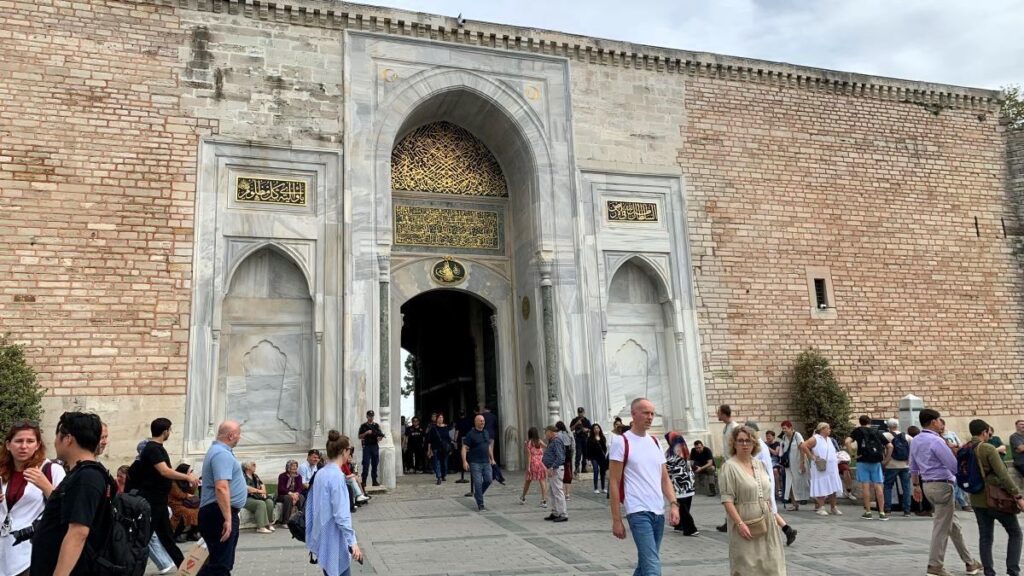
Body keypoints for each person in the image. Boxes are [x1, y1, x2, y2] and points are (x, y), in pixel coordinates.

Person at [29, 412, 106, 576]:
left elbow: (78, 532)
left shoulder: (87, 477)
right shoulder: (79, 473)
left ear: (68, 439)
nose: (55, 442)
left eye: (57, 435)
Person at [609, 398, 680, 576]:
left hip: (658, 511)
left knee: (645, 564)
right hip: (638, 511)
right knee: (652, 566)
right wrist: (617, 520)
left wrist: (673, 504)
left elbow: (664, 478)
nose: (650, 417)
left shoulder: (655, 442)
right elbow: (614, 482)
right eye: (645, 413)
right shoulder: (621, 442)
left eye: (652, 413)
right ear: (633, 414)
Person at [910, 409, 982, 576]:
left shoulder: (916, 440)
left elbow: (913, 465)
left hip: (927, 485)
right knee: (941, 528)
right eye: (939, 420)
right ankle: (935, 566)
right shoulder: (936, 441)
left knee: (953, 526)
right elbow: (952, 464)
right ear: (933, 421)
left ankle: (970, 562)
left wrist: (915, 485)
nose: (940, 423)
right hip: (942, 485)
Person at [1, 420, 65, 576]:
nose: (24, 446)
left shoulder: (51, 470)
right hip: (3, 554)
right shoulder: (2, 471)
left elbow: (66, 508)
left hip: (31, 554)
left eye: (30, 441)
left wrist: (46, 487)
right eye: (18, 441)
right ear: (8, 445)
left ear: (37, 445)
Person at [720, 425, 787, 576]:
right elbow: (727, 501)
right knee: (747, 569)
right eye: (740, 441)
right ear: (734, 443)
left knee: (773, 566)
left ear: (754, 444)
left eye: (748, 441)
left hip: (767, 523)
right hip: (744, 525)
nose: (745, 444)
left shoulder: (759, 464)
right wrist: (740, 524)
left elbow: (766, 492)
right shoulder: (729, 467)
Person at [134, 417, 198, 569]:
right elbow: (164, 471)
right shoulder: (152, 449)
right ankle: (130, 568)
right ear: (165, 432)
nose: (170, 432)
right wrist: (187, 476)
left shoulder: (157, 448)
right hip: (152, 501)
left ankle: (185, 568)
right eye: (170, 430)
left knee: (167, 537)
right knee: (144, 539)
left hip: (159, 501)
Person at [966, 419, 1024, 576]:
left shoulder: (966, 447)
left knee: (985, 536)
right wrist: (1017, 495)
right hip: (996, 498)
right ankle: (1013, 570)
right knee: (1015, 533)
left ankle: (989, 572)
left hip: (976, 499)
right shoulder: (988, 448)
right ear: (985, 432)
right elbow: (1003, 474)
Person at [305, 431, 363, 576]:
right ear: (344, 451)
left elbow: (311, 506)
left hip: (323, 532)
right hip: (334, 535)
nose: (350, 453)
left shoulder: (320, 473)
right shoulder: (337, 476)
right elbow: (341, 514)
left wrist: (313, 534)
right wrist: (353, 542)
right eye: (350, 450)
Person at [197, 421, 247, 576]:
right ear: (231, 435)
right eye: (239, 434)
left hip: (219, 511)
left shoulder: (219, 452)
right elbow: (221, 487)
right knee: (220, 565)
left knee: (220, 562)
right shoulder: (221, 454)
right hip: (218, 512)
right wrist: (227, 519)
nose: (240, 437)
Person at [747, 421, 798, 546]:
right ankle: (787, 530)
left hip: (763, 481)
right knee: (770, 510)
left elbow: (759, 464)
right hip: (764, 480)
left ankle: (774, 536)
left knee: (767, 510)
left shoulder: (758, 445)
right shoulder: (758, 444)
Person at [848, 415, 890, 520]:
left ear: (860, 422)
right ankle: (882, 512)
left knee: (865, 487)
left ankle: (868, 512)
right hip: (876, 462)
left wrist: (852, 455)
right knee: (878, 487)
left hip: (862, 461)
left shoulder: (857, 431)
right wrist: (886, 459)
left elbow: (847, 441)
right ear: (869, 422)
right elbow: (890, 446)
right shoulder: (876, 432)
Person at [800, 422, 843, 516]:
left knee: (833, 487)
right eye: (828, 428)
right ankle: (821, 507)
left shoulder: (829, 439)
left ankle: (833, 507)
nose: (830, 430)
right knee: (821, 486)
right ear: (822, 429)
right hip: (820, 467)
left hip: (831, 468)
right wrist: (811, 456)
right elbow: (803, 445)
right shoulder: (815, 438)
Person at [664, 432, 698, 536]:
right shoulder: (684, 449)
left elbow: (669, 467)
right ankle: (681, 526)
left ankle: (689, 528)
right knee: (684, 506)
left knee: (683, 507)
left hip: (679, 484)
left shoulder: (673, 452)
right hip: (687, 483)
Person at [461, 414, 494, 511]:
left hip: (486, 462)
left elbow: (488, 446)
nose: (482, 422)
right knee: (478, 483)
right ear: (475, 422)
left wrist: (492, 459)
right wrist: (464, 461)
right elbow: (464, 448)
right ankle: (480, 503)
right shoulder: (471, 434)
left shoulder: (486, 433)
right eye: (480, 421)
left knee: (488, 480)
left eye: (483, 421)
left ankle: (477, 494)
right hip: (475, 463)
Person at [882, 418, 913, 517]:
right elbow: (912, 450)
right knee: (906, 487)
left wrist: (884, 461)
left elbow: (883, 449)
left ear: (889, 427)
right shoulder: (907, 436)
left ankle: (888, 509)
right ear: (897, 425)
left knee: (888, 487)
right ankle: (907, 510)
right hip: (905, 465)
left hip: (891, 465)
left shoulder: (885, 436)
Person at [716, 404, 739, 532]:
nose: (717, 415)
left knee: (732, 493)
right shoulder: (726, 427)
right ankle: (728, 520)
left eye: (718, 413)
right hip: (727, 463)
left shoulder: (734, 427)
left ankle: (733, 521)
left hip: (734, 464)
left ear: (724, 414)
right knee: (727, 493)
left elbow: (737, 445)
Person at [779, 421, 809, 511]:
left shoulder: (797, 435)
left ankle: (817, 503)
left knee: (805, 483)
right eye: (782, 428)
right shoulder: (784, 437)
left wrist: (802, 463)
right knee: (790, 483)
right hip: (789, 465)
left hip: (799, 463)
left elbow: (802, 449)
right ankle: (794, 504)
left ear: (791, 428)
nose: (784, 430)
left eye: (785, 428)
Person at [542, 425, 568, 522]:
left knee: (558, 491)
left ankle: (563, 514)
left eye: (546, 432)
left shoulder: (556, 441)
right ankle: (555, 512)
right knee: (552, 492)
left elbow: (560, 457)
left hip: (556, 469)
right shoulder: (552, 441)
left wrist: (552, 467)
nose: (545, 434)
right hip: (552, 469)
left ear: (551, 432)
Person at [169, 463, 201, 542]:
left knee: (200, 510)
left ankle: (193, 533)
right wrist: (187, 495)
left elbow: (192, 493)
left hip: (186, 502)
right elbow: (178, 494)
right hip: (175, 503)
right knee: (187, 512)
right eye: (189, 472)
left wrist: (192, 484)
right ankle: (178, 534)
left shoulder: (186, 481)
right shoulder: (173, 482)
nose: (191, 474)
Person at [242, 461, 276, 534]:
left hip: (256, 496)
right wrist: (259, 491)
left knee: (269, 502)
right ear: (247, 467)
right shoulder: (242, 476)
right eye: (253, 465)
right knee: (260, 504)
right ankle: (261, 527)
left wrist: (263, 492)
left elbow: (262, 485)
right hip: (246, 498)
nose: (255, 466)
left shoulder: (255, 476)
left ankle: (269, 524)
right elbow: (247, 488)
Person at [520, 427, 548, 507]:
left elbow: (529, 456)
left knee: (528, 481)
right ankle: (544, 500)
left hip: (533, 463)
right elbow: (547, 446)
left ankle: (523, 497)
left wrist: (528, 467)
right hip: (541, 463)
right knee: (542, 481)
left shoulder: (528, 442)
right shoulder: (539, 441)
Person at [358, 410, 384, 487]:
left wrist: (380, 438)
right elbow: (359, 436)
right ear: (367, 416)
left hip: (374, 446)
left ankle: (374, 481)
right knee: (366, 464)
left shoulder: (376, 425)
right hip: (367, 447)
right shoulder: (363, 426)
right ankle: (364, 481)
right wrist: (366, 433)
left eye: (372, 416)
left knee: (375, 463)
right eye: (369, 416)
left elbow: (380, 435)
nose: (371, 417)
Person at [480, 405, 505, 485]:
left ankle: (491, 473)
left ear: (484, 409)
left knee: (486, 454)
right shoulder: (494, 416)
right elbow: (495, 426)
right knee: (491, 454)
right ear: (490, 410)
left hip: (484, 435)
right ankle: (494, 473)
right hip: (492, 435)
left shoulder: (482, 416)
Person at [427, 413, 451, 485]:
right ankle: (439, 477)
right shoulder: (433, 429)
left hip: (445, 448)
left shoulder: (446, 427)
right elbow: (430, 440)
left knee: (444, 463)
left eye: (442, 417)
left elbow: (448, 438)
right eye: (439, 417)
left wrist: (450, 448)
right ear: (437, 419)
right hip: (436, 448)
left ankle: (443, 475)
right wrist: (429, 450)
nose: (441, 419)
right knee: (437, 462)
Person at [570, 407, 592, 475]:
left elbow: (591, 429)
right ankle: (577, 468)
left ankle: (584, 468)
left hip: (585, 438)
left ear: (583, 412)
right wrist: (576, 423)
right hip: (578, 438)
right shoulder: (575, 420)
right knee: (578, 453)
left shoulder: (586, 420)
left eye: (581, 412)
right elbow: (571, 429)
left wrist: (586, 430)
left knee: (585, 453)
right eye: (579, 412)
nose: (580, 414)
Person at [588, 424, 609, 493]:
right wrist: (588, 459)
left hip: (602, 457)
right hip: (594, 457)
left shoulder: (602, 437)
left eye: (597, 428)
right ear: (593, 430)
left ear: (599, 429)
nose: (596, 429)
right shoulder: (590, 439)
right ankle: (596, 488)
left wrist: (605, 455)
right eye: (595, 428)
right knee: (596, 471)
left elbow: (605, 448)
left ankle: (603, 488)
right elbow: (588, 449)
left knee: (602, 472)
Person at [765, 430, 783, 499]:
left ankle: (779, 489)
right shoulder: (764, 443)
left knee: (775, 470)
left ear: (773, 437)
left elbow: (776, 453)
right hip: (767, 461)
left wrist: (767, 448)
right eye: (767, 436)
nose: (767, 437)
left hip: (775, 461)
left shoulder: (777, 444)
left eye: (769, 436)